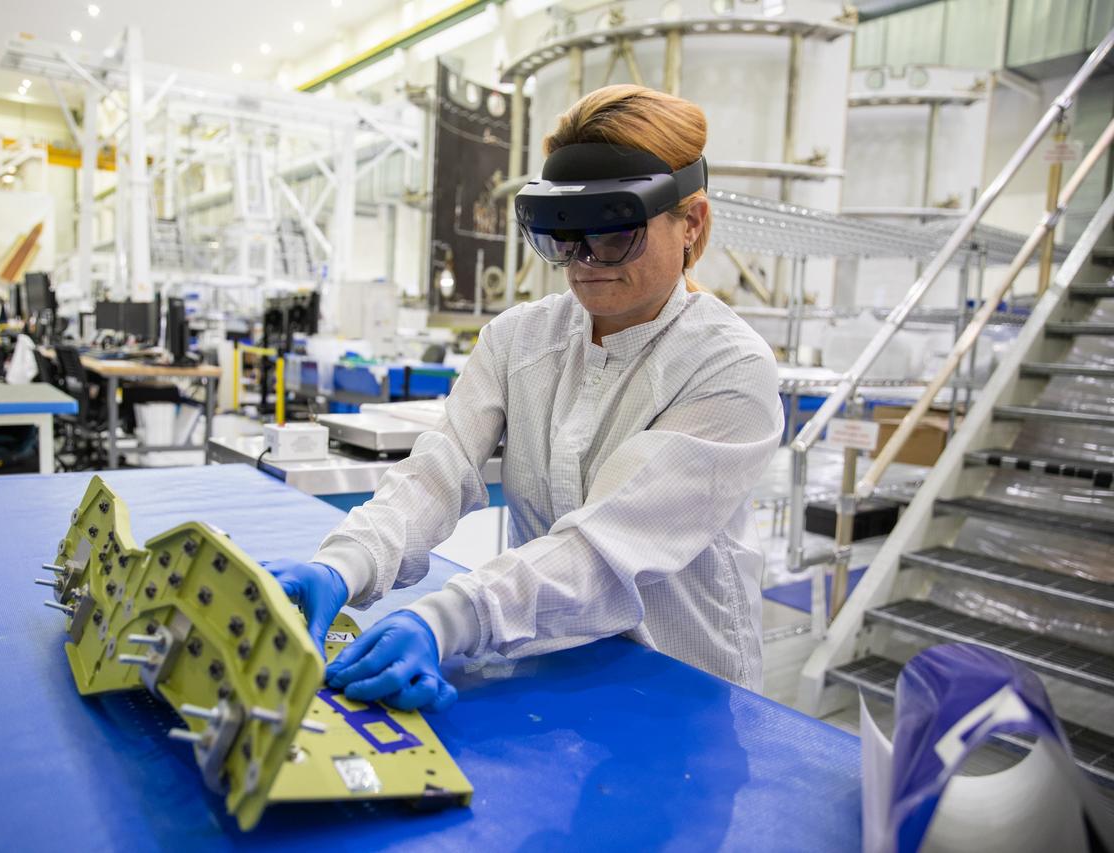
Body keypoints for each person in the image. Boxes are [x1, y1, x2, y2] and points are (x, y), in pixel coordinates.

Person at [268, 84, 783, 713]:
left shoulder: (728, 368)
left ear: (690, 223)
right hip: (549, 660)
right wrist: (343, 566)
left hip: (682, 685)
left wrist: (449, 619)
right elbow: (440, 471)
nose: (584, 261)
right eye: (563, 238)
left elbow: (605, 548)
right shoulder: (520, 340)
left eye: (614, 235)